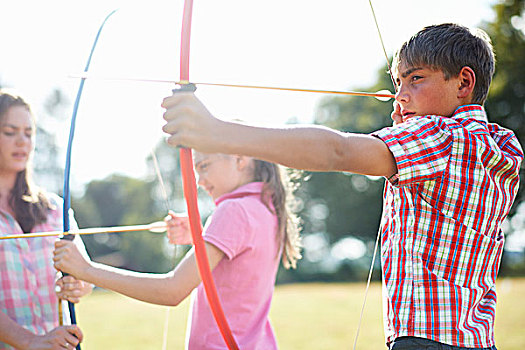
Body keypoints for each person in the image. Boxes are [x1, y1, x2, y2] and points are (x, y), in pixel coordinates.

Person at [160, 23, 523, 350]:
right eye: (398, 84)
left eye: (416, 79)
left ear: (463, 83)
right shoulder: (501, 147)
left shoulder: (440, 138)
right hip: (476, 340)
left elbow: (338, 151)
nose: (401, 96)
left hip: (426, 342)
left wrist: (217, 133)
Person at [53, 150, 302, 349]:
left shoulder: (234, 210)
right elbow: (239, 268)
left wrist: (86, 269)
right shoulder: (265, 207)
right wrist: (200, 237)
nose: (199, 180)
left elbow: (171, 291)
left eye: (204, 166)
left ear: (239, 158)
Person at [0, 89, 91, 350]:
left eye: (28, 133)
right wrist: (31, 342)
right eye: (10, 132)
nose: (22, 142)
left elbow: (87, 277)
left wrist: (78, 285)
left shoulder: (55, 208)